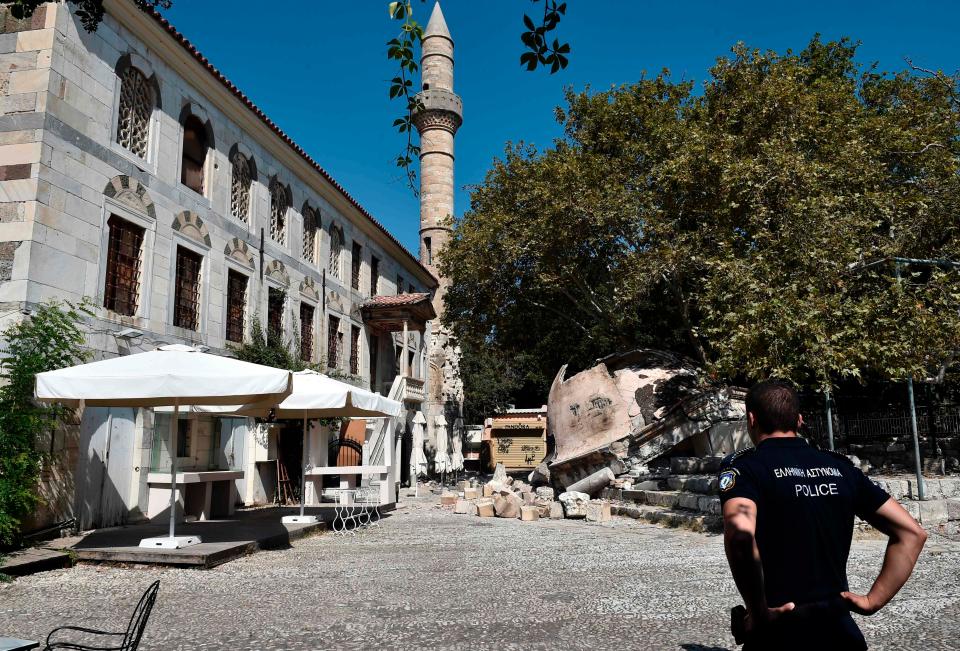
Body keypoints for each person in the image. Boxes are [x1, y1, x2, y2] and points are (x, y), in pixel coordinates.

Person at [719, 380, 927, 650]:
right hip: (840, 631)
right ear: (800, 420)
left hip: (780, 633)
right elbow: (912, 532)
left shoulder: (745, 468)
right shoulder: (840, 467)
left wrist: (758, 613)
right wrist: (872, 600)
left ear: (751, 419)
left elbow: (739, 535)